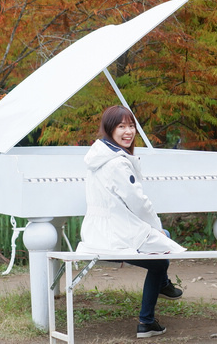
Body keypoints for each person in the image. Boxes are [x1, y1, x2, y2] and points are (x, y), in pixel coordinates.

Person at [76, 105, 185, 339]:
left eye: (131, 126)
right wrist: (156, 229)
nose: (128, 131)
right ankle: (146, 321)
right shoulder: (117, 163)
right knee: (160, 252)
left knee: (159, 243)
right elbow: (139, 203)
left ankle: (163, 285)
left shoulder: (99, 157)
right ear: (109, 128)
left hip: (97, 230)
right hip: (113, 235)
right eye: (121, 126)